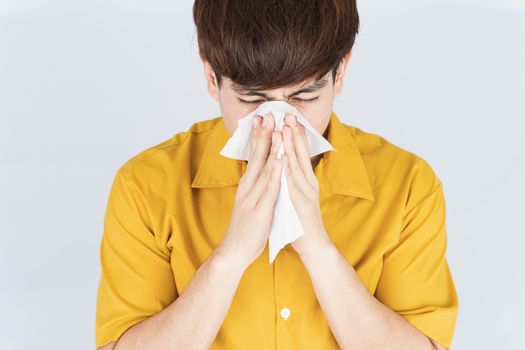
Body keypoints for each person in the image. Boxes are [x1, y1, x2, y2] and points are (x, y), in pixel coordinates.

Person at [95, 1, 458, 349]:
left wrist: (317, 247)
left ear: (340, 72)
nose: (279, 122)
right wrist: (231, 255)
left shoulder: (408, 186)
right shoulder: (145, 186)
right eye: (252, 100)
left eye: (304, 97)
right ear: (211, 77)